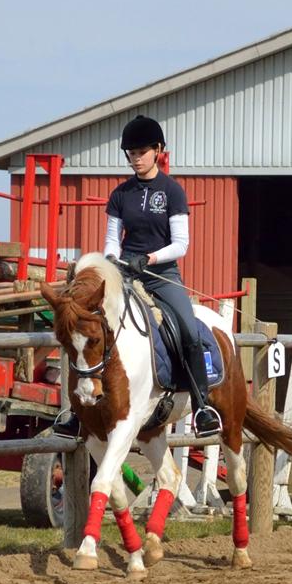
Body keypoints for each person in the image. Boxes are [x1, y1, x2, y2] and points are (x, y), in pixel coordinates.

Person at [54, 115, 221, 439]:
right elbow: (111, 242)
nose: (136, 157)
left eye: (142, 151)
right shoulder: (121, 194)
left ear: (158, 150)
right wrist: (116, 261)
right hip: (126, 276)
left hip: (162, 276)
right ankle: (77, 412)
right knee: (88, 330)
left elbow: (181, 244)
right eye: (131, 152)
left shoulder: (172, 192)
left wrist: (150, 258)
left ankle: (202, 407)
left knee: (187, 330)